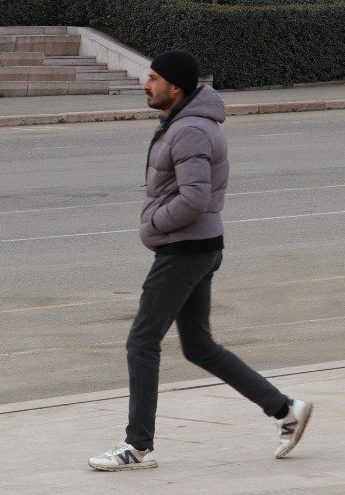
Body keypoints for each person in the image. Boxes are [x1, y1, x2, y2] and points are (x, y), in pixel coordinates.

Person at [89, 50, 312, 472]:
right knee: (198, 345)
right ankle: (286, 410)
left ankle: (136, 447)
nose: (145, 84)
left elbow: (195, 197)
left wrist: (154, 223)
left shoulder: (189, 130)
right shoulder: (183, 123)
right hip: (199, 245)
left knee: (141, 342)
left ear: (176, 87)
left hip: (184, 250)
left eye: (153, 78)